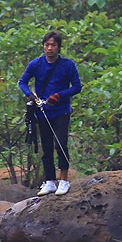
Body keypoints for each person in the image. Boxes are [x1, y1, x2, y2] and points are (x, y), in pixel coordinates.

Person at [18, 29, 82, 196]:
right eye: (47, 45)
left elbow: (77, 87)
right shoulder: (36, 64)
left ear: (59, 47)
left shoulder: (68, 65)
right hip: (42, 111)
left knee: (61, 144)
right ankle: (49, 182)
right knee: (46, 147)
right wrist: (30, 95)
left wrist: (59, 96)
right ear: (43, 46)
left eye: (53, 45)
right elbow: (22, 82)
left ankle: (64, 180)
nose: (50, 48)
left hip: (61, 110)